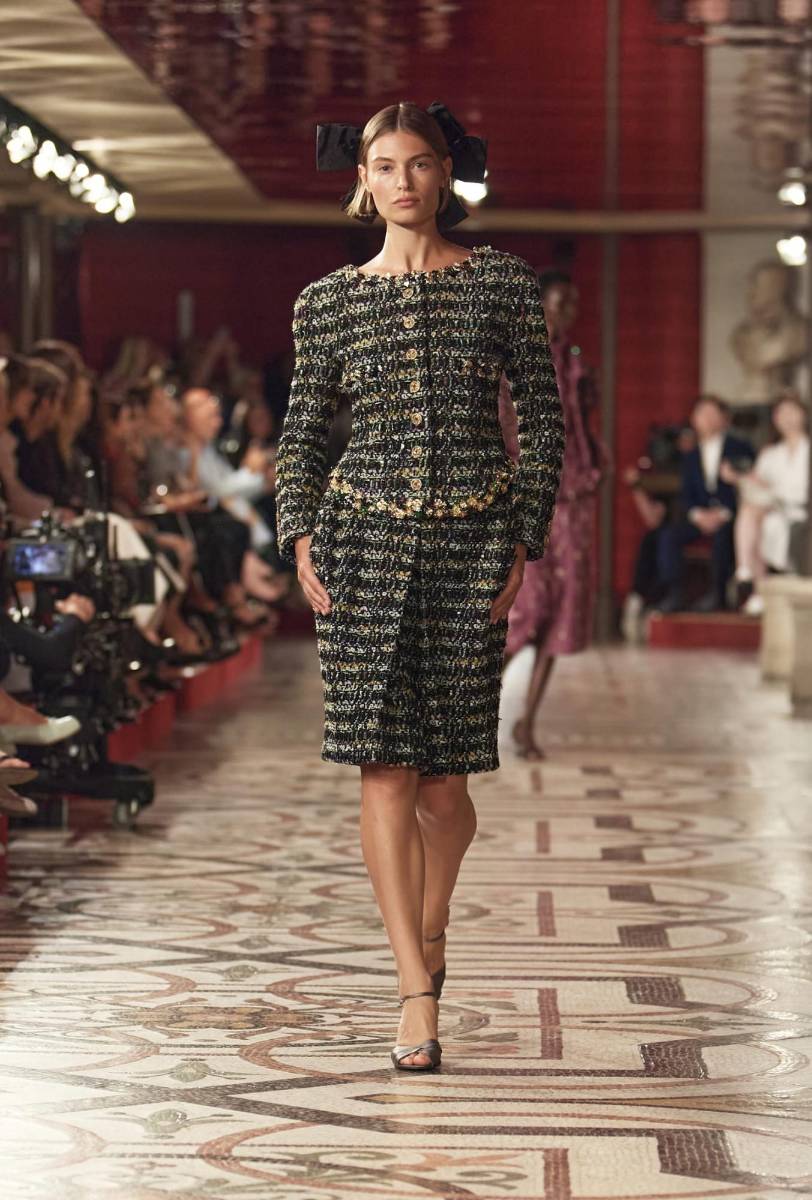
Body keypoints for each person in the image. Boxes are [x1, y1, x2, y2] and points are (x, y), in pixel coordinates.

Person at [275, 101, 564, 1071]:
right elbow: (301, 432)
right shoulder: (327, 301)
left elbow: (543, 418)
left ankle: (432, 927)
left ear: (447, 174)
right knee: (384, 770)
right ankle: (413, 989)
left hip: (470, 545)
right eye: (385, 165)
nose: (403, 181)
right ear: (361, 179)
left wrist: (521, 535)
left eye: (420, 164)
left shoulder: (500, 283)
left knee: (446, 783)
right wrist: (299, 534)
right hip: (358, 547)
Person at [499, 268, 604, 759]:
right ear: (538, 304)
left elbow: (585, 424)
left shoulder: (575, 362)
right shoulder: (513, 358)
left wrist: (596, 468)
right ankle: (467, 705)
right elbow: (502, 424)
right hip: (528, 497)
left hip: (575, 496)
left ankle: (528, 723)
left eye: (571, 305)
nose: (564, 314)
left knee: (563, 611)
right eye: (556, 303)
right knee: (527, 607)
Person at [657, 395, 754, 613]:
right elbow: (686, 494)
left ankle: (718, 594)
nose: (707, 419)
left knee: (723, 537)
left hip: (730, 517)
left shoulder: (741, 447)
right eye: (702, 414)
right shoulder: (690, 456)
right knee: (668, 536)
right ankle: (675, 593)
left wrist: (724, 514)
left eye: (712, 413)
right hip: (700, 516)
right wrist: (698, 515)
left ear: (724, 418)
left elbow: (748, 485)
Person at [723, 391, 809, 616]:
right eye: (782, 413)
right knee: (752, 515)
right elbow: (755, 490)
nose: (787, 418)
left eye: (792, 412)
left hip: (801, 511)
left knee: (754, 515)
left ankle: (748, 575)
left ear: (803, 414)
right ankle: (749, 577)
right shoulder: (770, 454)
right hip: (772, 511)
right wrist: (741, 478)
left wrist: (771, 490)